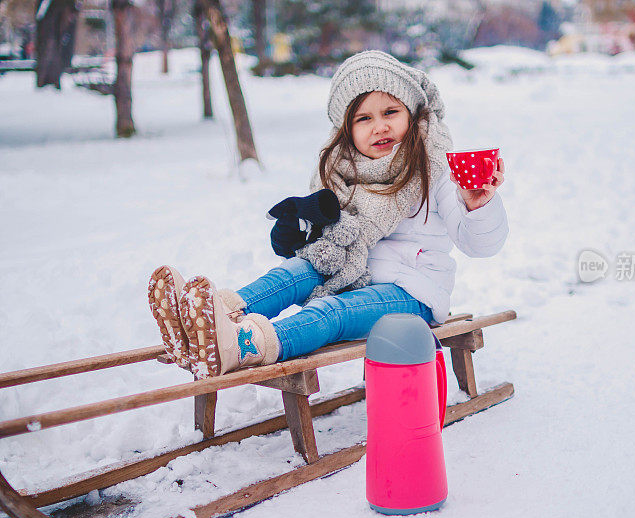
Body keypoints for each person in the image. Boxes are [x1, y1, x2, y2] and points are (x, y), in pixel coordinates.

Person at [147, 50, 508, 380]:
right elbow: (320, 241)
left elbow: (479, 245)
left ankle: (244, 345)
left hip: (413, 292)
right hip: (356, 274)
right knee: (297, 270)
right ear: (347, 130)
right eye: (364, 118)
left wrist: (478, 205)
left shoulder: (433, 169)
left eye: (390, 112)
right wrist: (296, 230)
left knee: (332, 311)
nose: (379, 126)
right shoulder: (342, 171)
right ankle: (214, 317)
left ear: (412, 114)